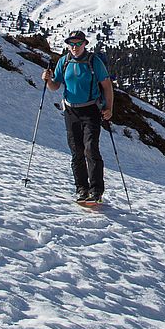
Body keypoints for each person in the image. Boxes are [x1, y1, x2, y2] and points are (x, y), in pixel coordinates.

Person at [42, 30, 114, 203]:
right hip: (71, 111)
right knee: (76, 151)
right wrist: (48, 80)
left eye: (78, 44)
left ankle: (96, 190)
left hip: (91, 110)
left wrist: (109, 108)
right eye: (71, 44)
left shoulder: (93, 61)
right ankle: (81, 188)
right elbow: (55, 86)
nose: (74, 47)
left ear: (84, 44)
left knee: (91, 148)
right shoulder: (63, 62)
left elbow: (107, 85)